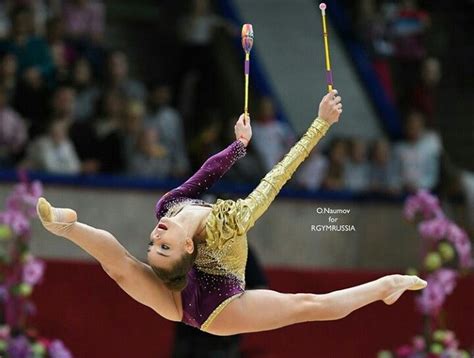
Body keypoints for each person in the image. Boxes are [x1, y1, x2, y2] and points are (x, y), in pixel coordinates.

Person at [36, 90, 427, 335]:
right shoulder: (230, 223)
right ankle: (385, 287)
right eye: (164, 246)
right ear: (187, 245)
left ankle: (63, 226)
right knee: (308, 304)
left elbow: (205, 174)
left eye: (153, 242)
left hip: (181, 295)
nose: (156, 235)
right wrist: (321, 124)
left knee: (119, 267)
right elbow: (279, 175)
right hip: (217, 310)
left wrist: (238, 147)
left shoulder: (168, 208)